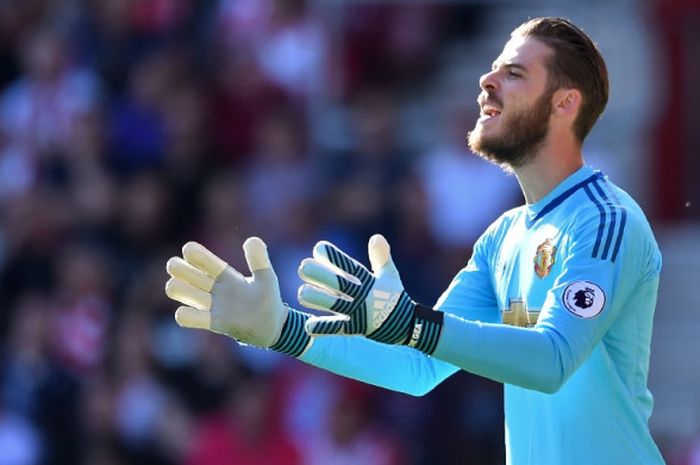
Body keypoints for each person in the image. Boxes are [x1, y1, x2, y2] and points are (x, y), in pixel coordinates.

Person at [165, 17, 665, 465]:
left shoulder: (605, 221)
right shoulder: (504, 238)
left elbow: (553, 360)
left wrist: (416, 324)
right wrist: (283, 329)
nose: (487, 81)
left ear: (564, 103)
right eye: (492, 69)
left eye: (513, 73)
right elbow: (418, 365)